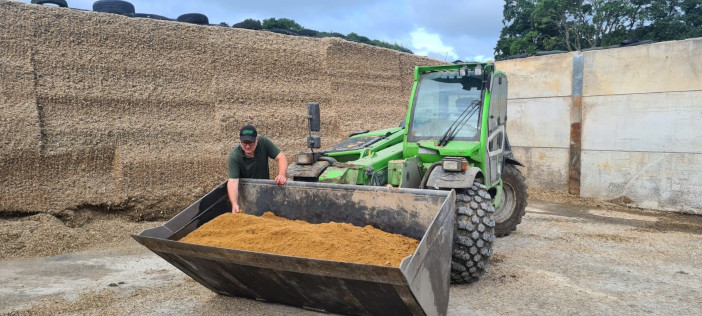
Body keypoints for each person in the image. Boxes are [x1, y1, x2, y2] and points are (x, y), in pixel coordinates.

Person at [227, 124, 288, 213]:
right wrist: (234, 204)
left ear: (257, 139)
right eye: (244, 143)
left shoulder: (263, 142)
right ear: (239, 140)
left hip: (264, 189)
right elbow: (233, 182)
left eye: (251, 143)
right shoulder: (235, 156)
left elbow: (281, 157)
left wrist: (281, 175)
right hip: (246, 193)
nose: (247, 146)